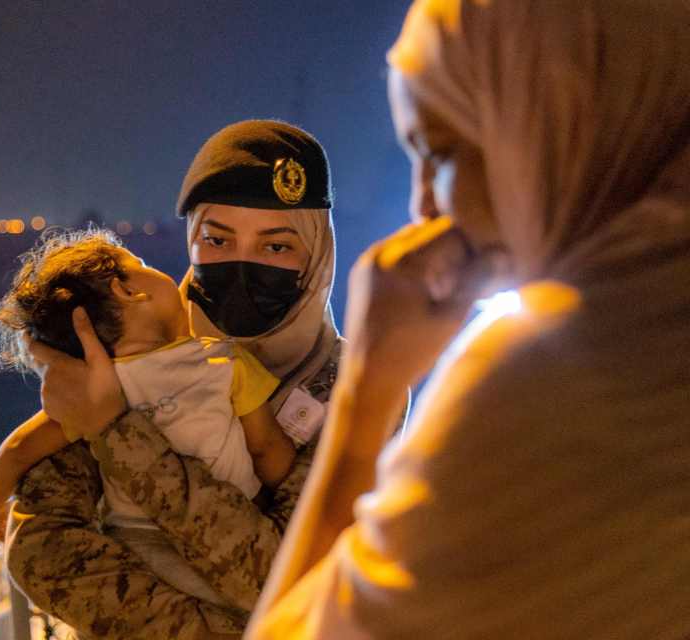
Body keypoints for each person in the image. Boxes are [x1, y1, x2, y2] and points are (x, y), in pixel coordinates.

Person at [248, 0, 690, 637]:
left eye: (444, 151)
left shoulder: (562, 379)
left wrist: (365, 395)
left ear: (552, 121)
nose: (424, 205)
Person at [4, 120, 346, 639]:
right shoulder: (121, 340)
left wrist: (115, 429)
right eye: (217, 239)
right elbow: (41, 547)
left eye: (276, 247)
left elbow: (289, 578)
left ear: (316, 252)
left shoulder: (352, 390)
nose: (242, 264)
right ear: (191, 240)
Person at [0, 229, 296, 603]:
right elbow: (267, 448)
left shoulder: (98, 391)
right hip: (231, 532)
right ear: (128, 291)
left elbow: (19, 447)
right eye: (140, 264)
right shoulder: (224, 361)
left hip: (139, 546)